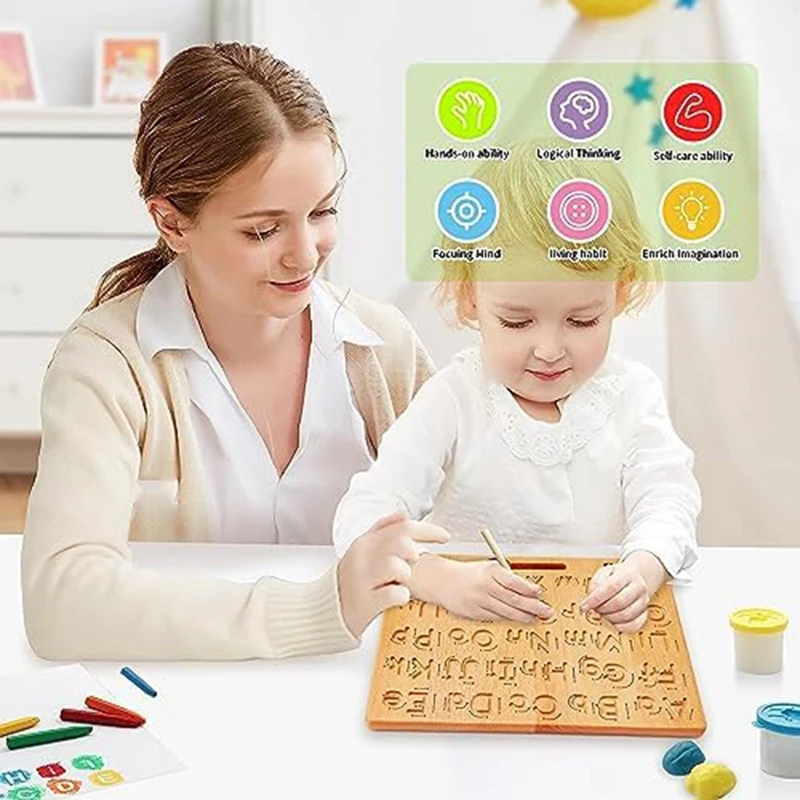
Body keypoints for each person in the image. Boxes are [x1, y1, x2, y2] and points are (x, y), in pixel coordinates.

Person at [21, 42, 447, 662]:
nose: (306, 253)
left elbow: (480, 522)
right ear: (172, 223)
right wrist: (323, 608)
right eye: (263, 230)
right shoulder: (108, 367)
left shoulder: (382, 350)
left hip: (363, 690)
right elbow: (61, 603)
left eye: (323, 212)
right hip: (179, 701)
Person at [333, 141, 702, 634]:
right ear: (470, 297)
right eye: (515, 321)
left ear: (622, 290)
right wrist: (437, 577)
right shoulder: (455, 398)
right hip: (463, 634)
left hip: (594, 637)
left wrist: (644, 565)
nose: (549, 349)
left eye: (582, 319)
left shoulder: (633, 395)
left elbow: (668, 498)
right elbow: (362, 515)